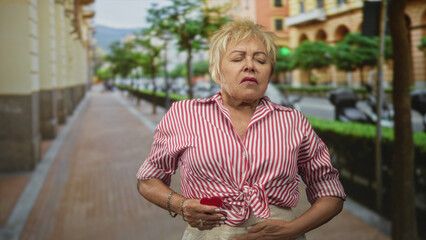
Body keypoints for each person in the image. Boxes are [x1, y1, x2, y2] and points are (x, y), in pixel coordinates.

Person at [136, 20, 346, 240]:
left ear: (269, 71)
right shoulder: (184, 114)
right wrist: (181, 205)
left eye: (261, 60)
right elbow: (148, 180)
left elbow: (330, 190)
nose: (250, 65)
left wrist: (294, 228)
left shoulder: (293, 121)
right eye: (237, 58)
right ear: (217, 70)